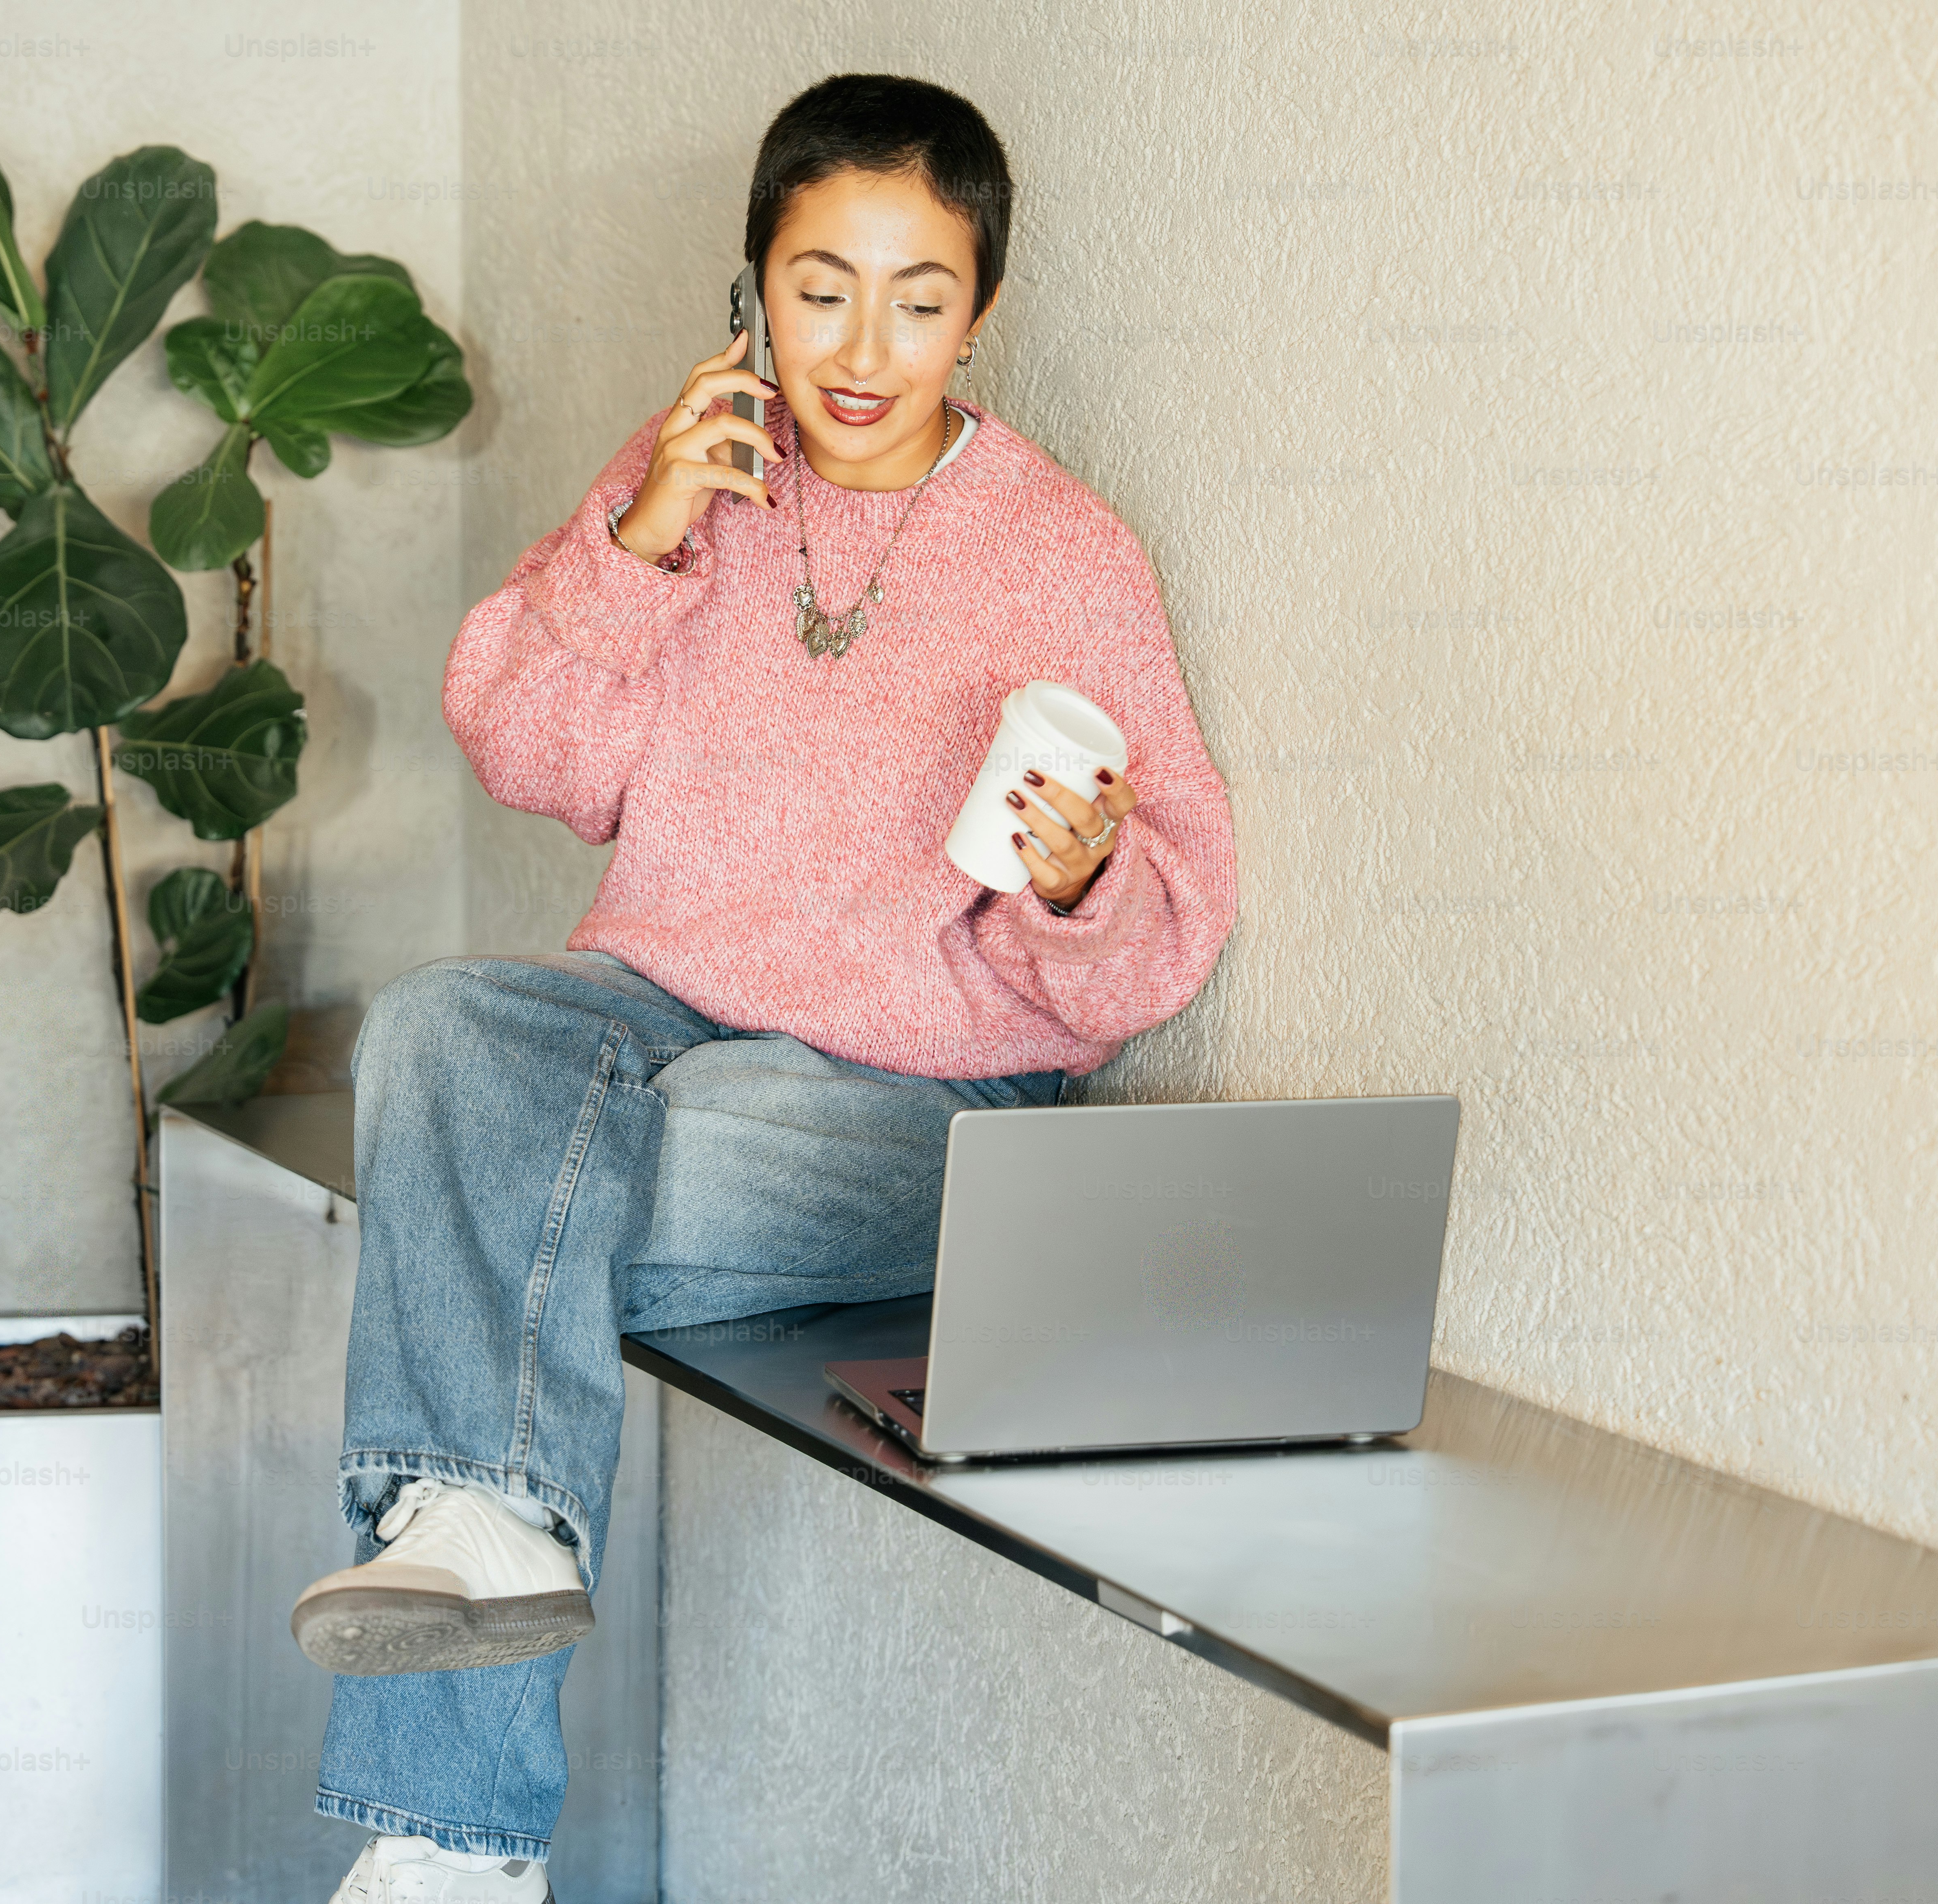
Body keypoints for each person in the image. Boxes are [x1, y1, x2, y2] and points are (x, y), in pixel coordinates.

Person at [293, 72, 1238, 1904]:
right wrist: (638, 539)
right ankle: (482, 1566)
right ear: (751, 290)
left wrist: (1085, 877)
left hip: (919, 1102)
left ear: (983, 310)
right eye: (820, 287)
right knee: (434, 1032)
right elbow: (530, 749)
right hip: (656, 1018)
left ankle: (450, 1825)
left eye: (919, 296)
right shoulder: (694, 485)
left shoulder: (1065, 554)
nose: (863, 345)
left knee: (509, 1194)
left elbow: (1159, 937)